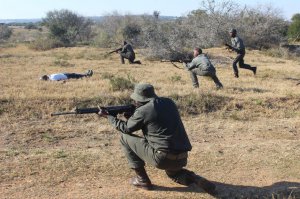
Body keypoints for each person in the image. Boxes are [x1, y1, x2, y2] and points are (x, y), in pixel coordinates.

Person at [98, 83, 216, 195]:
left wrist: (109, 117)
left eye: (136, 99)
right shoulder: (169, 102)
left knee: (124, 138)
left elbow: (126, 129)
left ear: (140, 99)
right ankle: (193, 178)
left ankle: (142, 180)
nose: (134, 101)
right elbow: (155, 122)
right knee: (173, 174)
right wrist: (133, 117)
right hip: (182, 157)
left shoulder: (143, 110)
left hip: (162, 158)